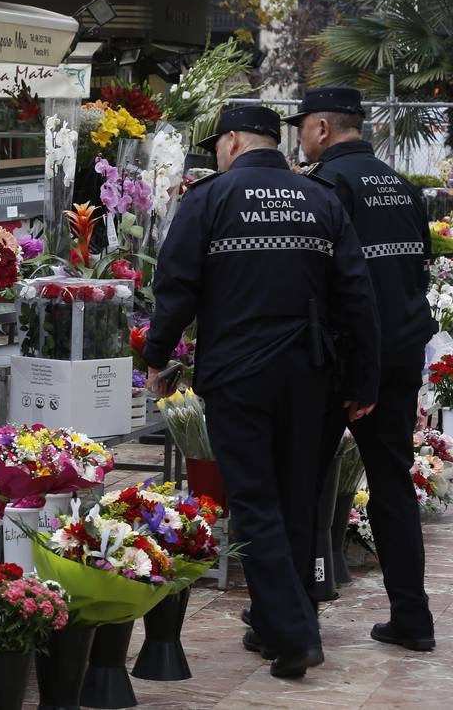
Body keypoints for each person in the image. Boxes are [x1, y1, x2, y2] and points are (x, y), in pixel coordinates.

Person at [143, 105, 379, 678]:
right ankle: (281, 624)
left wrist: (156, 357)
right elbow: (356, 291)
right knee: (299, 500)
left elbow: (176, 289)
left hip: (239, 375)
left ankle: (296, 635)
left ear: (230, 142)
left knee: (253, 502)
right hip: (311, 375)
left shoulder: (209, 199)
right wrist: (364, 378)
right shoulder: (321, 199)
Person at [285, 86, 436, 651]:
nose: (300, 137)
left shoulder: (322, 185)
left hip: (340, 361)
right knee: (392, 483)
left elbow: (317, 279)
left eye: (303, 127)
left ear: (322, 129)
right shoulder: (399, 185)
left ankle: (294, 617)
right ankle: (413, 619)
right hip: (400, 352)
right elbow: (418, 267)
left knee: (303, 481)